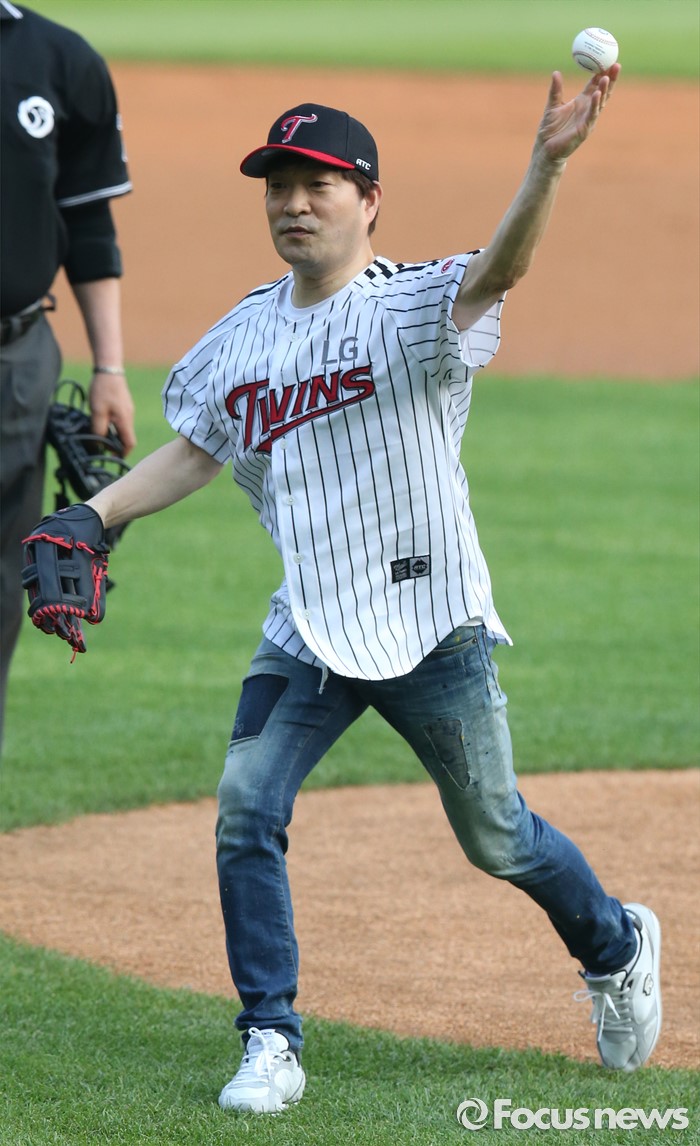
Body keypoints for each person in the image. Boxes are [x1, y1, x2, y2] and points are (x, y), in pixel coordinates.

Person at [61, 65, 661, 1112]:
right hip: (308, 627)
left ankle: (615, 946)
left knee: (497, 836)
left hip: (433, 626)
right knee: (246, 808)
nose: (293, 204)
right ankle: (270, 1038)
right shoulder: (241, 336)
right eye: (278, 187)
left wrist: (546, 166)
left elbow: (503, 267)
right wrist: (95, 514)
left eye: (318, 185)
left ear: (369, 200)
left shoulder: (417, 307)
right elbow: (197, 449)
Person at [0, 0, 136, 746]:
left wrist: (108, 366)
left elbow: (86, 222)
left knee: (2, 582)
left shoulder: (58, 59)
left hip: (17, 360)